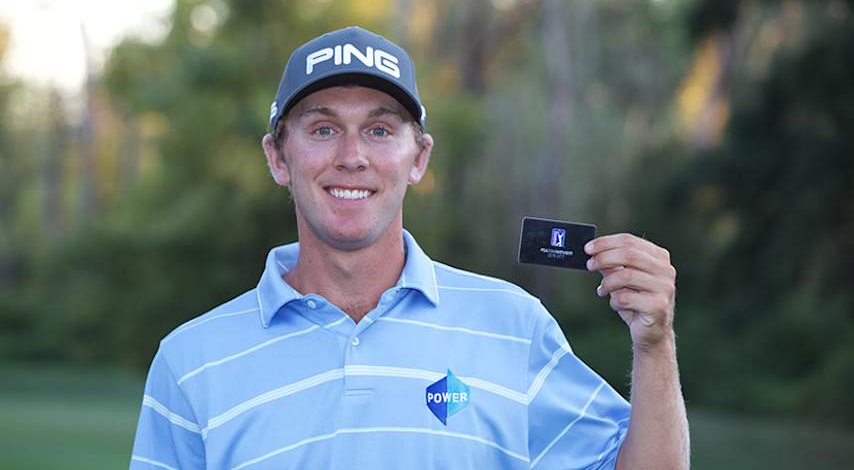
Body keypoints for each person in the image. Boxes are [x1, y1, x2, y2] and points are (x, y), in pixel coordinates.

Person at [130, 26, 689, 469]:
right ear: (278, 157)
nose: (353, 156)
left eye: (379, 130)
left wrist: (654, 344)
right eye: (323, 129)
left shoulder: (513, 327)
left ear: (418, 158)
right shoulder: (189, 363)